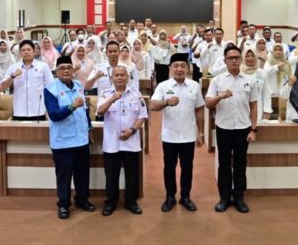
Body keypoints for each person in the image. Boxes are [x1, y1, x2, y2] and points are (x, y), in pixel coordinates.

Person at [205, 45, 258, 214]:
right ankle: (224, 198)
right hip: (224, 128)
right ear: (225, 60)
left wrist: (253, 129)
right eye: (230, 58)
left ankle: (239, 198)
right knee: (224, 164)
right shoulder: (217, 81)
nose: (234, 60)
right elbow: (208, 103)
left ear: (241, 60)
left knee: (240, 164)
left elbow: (254, 105)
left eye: (236, 57)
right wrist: (220, 96)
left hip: (243, 128)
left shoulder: (249, 80)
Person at [151, 53, 205, 212]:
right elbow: (153, 105)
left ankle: (185, 197)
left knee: (187, 167)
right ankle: (170, 197)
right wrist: (167, 102)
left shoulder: (194, 86)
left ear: (187, 68)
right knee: (169, 167)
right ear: (170, 68)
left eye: (182, 66)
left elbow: (199, 109)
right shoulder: (163, 86)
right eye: (175, 66)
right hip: (170, 136)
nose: (179, 69)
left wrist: (201, 133)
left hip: (188, 135)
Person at [44, 56, 95, 219]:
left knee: (82, 174)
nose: (66, 70)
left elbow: (85, 110)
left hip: (81, 139)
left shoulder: (79, 85)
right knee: (64, 175)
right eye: (62, 68)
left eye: (69, 67)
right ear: (56, 71)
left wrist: (89, 129)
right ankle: (63, 204)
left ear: (73, 70)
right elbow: (54, 115)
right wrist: (72, 106)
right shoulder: (51, 89)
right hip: (63, 142)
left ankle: (82, 200)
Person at [96, 66, 148, 216]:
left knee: (132, 175)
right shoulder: (105, 94)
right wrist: (112, 99)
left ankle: (131, 201)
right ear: (111, 78)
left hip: (131, 142)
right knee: (111, 175)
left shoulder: (136, 94)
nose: (119, 78)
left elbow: (142, 115)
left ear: (127, 77)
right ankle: (111, 202)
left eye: (122, 75)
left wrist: (132, 130)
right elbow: (99, 112)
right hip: (112, 143)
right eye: (116, 75)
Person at [0, 40, 55, 121]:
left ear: (34, 51)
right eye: (23, 50)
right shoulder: (13, 67)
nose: (26, 52)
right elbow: (1, 88)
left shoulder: (43, 67)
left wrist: (49, 109)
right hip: (19, 112)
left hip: (38, 111)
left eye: (28, 50)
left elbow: (51, 88)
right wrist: (12, 76)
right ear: (20, 53)